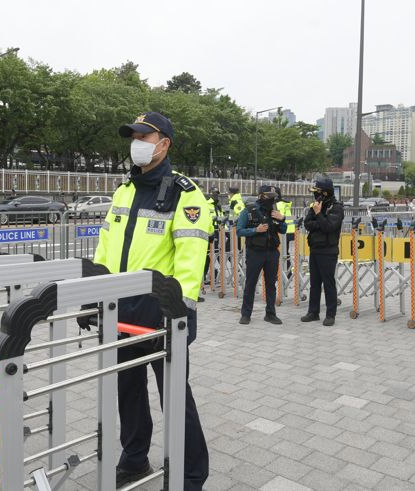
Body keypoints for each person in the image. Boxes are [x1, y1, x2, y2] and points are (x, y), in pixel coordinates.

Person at [91, 111, 209, 490]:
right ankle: (135, 458)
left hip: (160, 312)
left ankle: (191, 475)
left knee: (174, 395)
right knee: (127, 388)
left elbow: (191, 259)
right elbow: (106, 247)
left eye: (145, 136)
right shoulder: (124, 191)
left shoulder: (186, 196)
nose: (137, 142)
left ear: (164, 144)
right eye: (134, 135)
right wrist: (91, 293)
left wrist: (179, 311)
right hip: (119, 308)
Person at [237, 185, 286, 325]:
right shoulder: (249, 210)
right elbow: (239, 231)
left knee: (271, 284)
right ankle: (246, 314)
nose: (271, 199)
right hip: (255, 253)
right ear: (261, 196)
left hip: (272, 252)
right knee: (251, 284)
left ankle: (270, 314)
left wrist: (282, 219)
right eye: (268, 196)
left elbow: (283, 230)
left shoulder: (274, 211)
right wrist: (255, 230)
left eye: (273, 196)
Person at [301, 177, 344, 326]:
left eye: (317, 192)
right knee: (314, 283)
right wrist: (319, 219)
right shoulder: (316, 205)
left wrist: (319, 215)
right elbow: (307, 224)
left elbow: (329, 227)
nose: (315, 195)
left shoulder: (336, 207)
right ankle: (313, 312)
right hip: (315, 249)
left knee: (328, 283)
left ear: (325, 193)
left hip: (328, 250)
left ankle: (330, 314)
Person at [275, 186, 295, 274]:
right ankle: (287, 272)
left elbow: (278, 219)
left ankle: (284, 273)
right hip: (290, 230)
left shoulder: (277, 205)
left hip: (283, 231)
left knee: (280, 252)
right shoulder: (284, 203)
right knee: (285, 252)